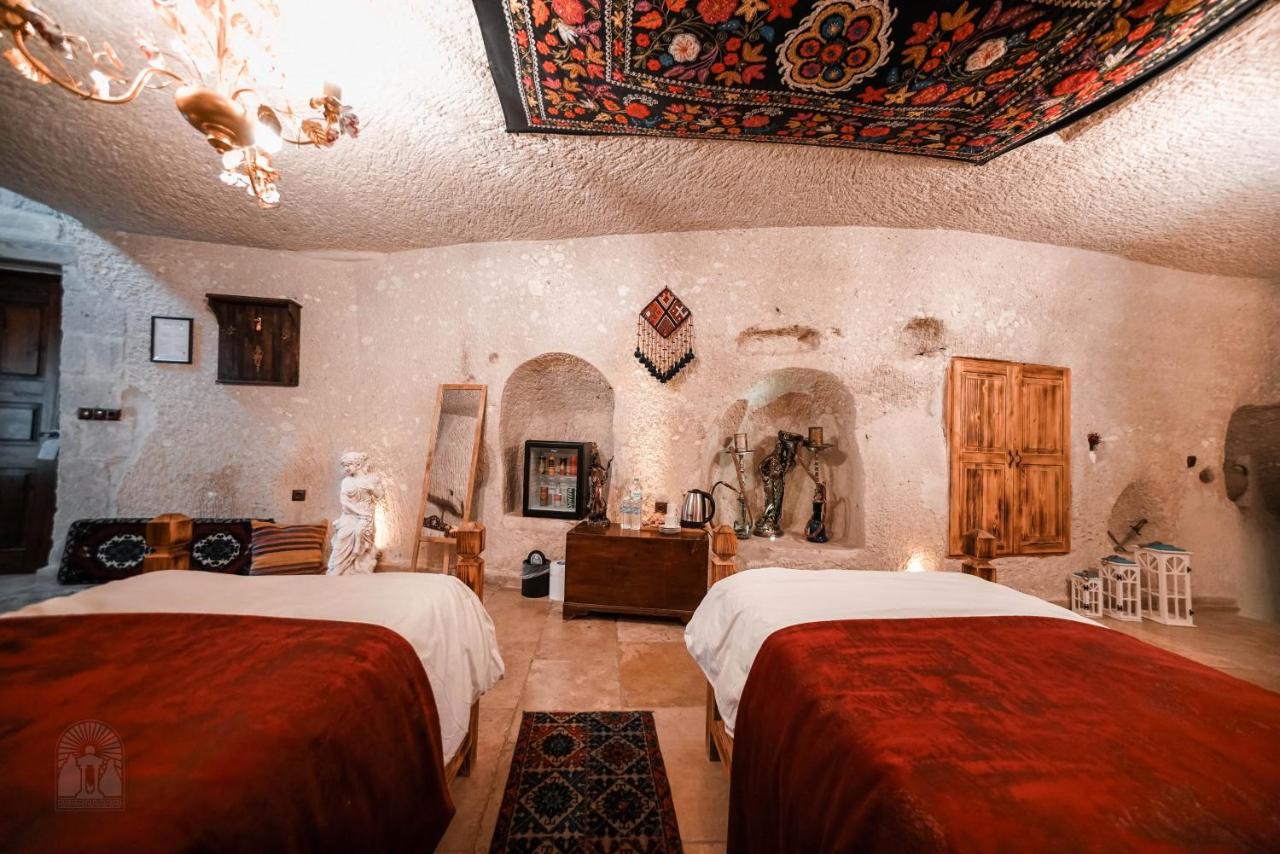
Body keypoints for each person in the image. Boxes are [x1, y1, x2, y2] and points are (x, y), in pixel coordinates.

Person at [327, 451, 383, 575]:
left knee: (359, 533)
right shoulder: (346, 481)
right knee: (342, 536)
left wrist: (372, 488)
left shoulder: (371, 479)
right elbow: (344, 502)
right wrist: (359, 512)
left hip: (366, 516)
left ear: (358, 464)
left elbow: (379, 496)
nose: (346, 468)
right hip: (350, 515)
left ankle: (357, 564)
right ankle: (337, 569)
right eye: (345, 466)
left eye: (349, 465)